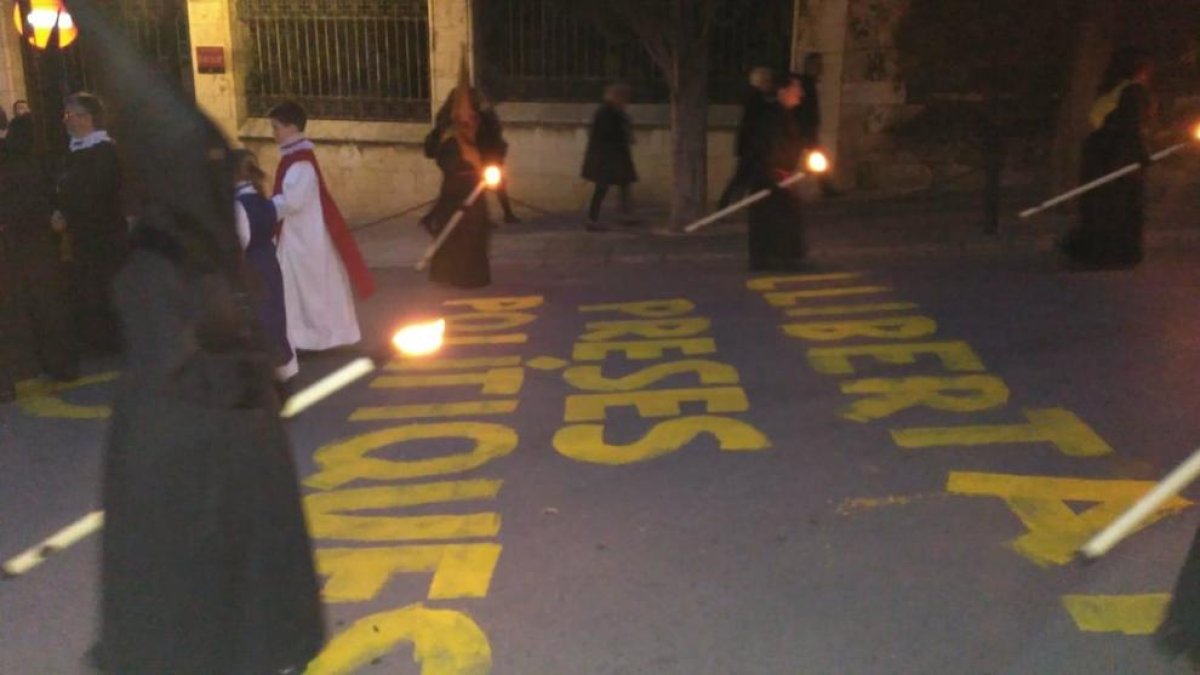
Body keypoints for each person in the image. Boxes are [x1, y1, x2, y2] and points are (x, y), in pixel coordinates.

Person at [64, 0, 326, 670]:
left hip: (225, 477)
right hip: (184, 486)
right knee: (198, 621)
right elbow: (179, 377)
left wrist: (259, 384)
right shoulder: (163, 265)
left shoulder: (201, 251)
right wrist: (242, 386)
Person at [269, 101, 374, 352]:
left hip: (303, 239)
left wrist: (263, 208)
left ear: (292, 127)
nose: (273, 133)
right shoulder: (297, 158)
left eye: (276, 127)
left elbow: (292, 201)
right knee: (310, 290)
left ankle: (313, 339)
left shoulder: (300, 163)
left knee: (307, 291)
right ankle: (310, 338)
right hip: (301, 234)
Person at [0, 114, 79, 402]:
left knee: (13, 310)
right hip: (40, 242)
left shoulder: (9, 160)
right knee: (48, 304)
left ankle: (16, 374)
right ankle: (61, 364)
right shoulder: (36, 157)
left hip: (10, 244)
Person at [1059, 47, 1154, 269]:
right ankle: (1115, 253)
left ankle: (1093, 250)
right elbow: (1131, 127)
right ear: (1143, 71)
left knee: (1101, 206)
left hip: (1101, 152)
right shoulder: (1135, 92)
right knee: (1119, 208)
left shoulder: (1116, 89)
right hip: (1117, 157)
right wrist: (1140, 156)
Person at [55, 92, 127, 355]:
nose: (67, 121)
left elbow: (96, 192)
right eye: (66, 115)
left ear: (88, 119)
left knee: (104, 289)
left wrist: (68, 213)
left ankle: (113, 342)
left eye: (72, 115)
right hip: (83, 236)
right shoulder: (74, 152)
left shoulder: (103, 151)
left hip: (103, 235)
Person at [421, 70, 493, 289]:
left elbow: (491, 150)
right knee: (451, 231)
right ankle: (447, 273)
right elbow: (434, 154)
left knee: (473, 233)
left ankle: (472, 275)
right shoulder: (446, 134)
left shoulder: (480, 128)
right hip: (453, 189)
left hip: (474, 188)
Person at [233, 149, 296, 385]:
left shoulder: (239, 205)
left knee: (256, 316)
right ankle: (282, 367)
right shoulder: (264, 201)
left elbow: (240, 240)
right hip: (269, 263)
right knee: (273, 314)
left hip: (250, 267)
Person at [745, 71, 807, 272]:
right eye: (796, 88)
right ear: (783, 91)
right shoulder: (772, 116)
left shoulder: (786, 115)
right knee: (770, 216)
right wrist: (776, 173)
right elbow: (769, 146)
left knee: (781, 215)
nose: (800, 93)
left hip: (779, 175)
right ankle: (768, 257)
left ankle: (779, 255)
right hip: (770, 176)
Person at [582, 83, 637, 229]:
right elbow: (608, 134)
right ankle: (592, 219)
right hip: (606, 158)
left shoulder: (613, 111)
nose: (626, 101)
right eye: (624, 98)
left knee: (623, 184)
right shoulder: (606, 112)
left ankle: (624, 215)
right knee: (602, 188)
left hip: (611, 157)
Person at [718, 67, 774, 208]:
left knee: (744, 176)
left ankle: (729, 203)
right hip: (752, 146)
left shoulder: (753, 97)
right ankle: (726, 203)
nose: (770, 85)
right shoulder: (757, 99)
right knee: (743, 176)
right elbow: (756, 123)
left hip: (749, 145)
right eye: (767, 81)